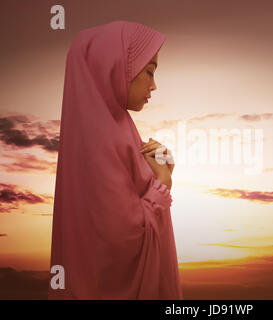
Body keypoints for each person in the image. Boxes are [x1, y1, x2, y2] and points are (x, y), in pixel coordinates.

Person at [48, 20, 182, 299]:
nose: (154, 85)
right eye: (149, 71)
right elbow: (121, 241)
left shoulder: (115, 126)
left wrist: (159, 168)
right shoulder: (105, 138)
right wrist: (163, 181)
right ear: (116, 66)